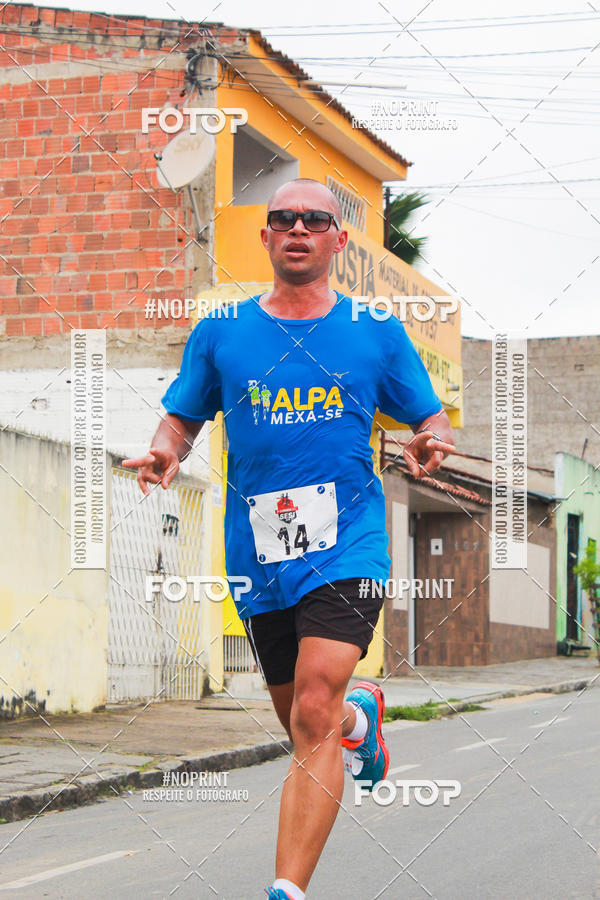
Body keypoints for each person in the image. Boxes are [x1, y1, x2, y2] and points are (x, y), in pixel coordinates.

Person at [123, 178, 455, 900]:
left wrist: (431, 440)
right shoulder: (222, 332)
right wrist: (165, 451)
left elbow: (430, 417)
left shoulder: (375, 333)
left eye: (315, 219)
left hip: (349, 543)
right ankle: (356, 717)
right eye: (283, 218)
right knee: (306, 722)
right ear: (266, 237)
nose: (298, 227)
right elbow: (181, 418)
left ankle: (286, 891)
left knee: (310, 712)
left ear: (339, 240)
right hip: (260, 553)